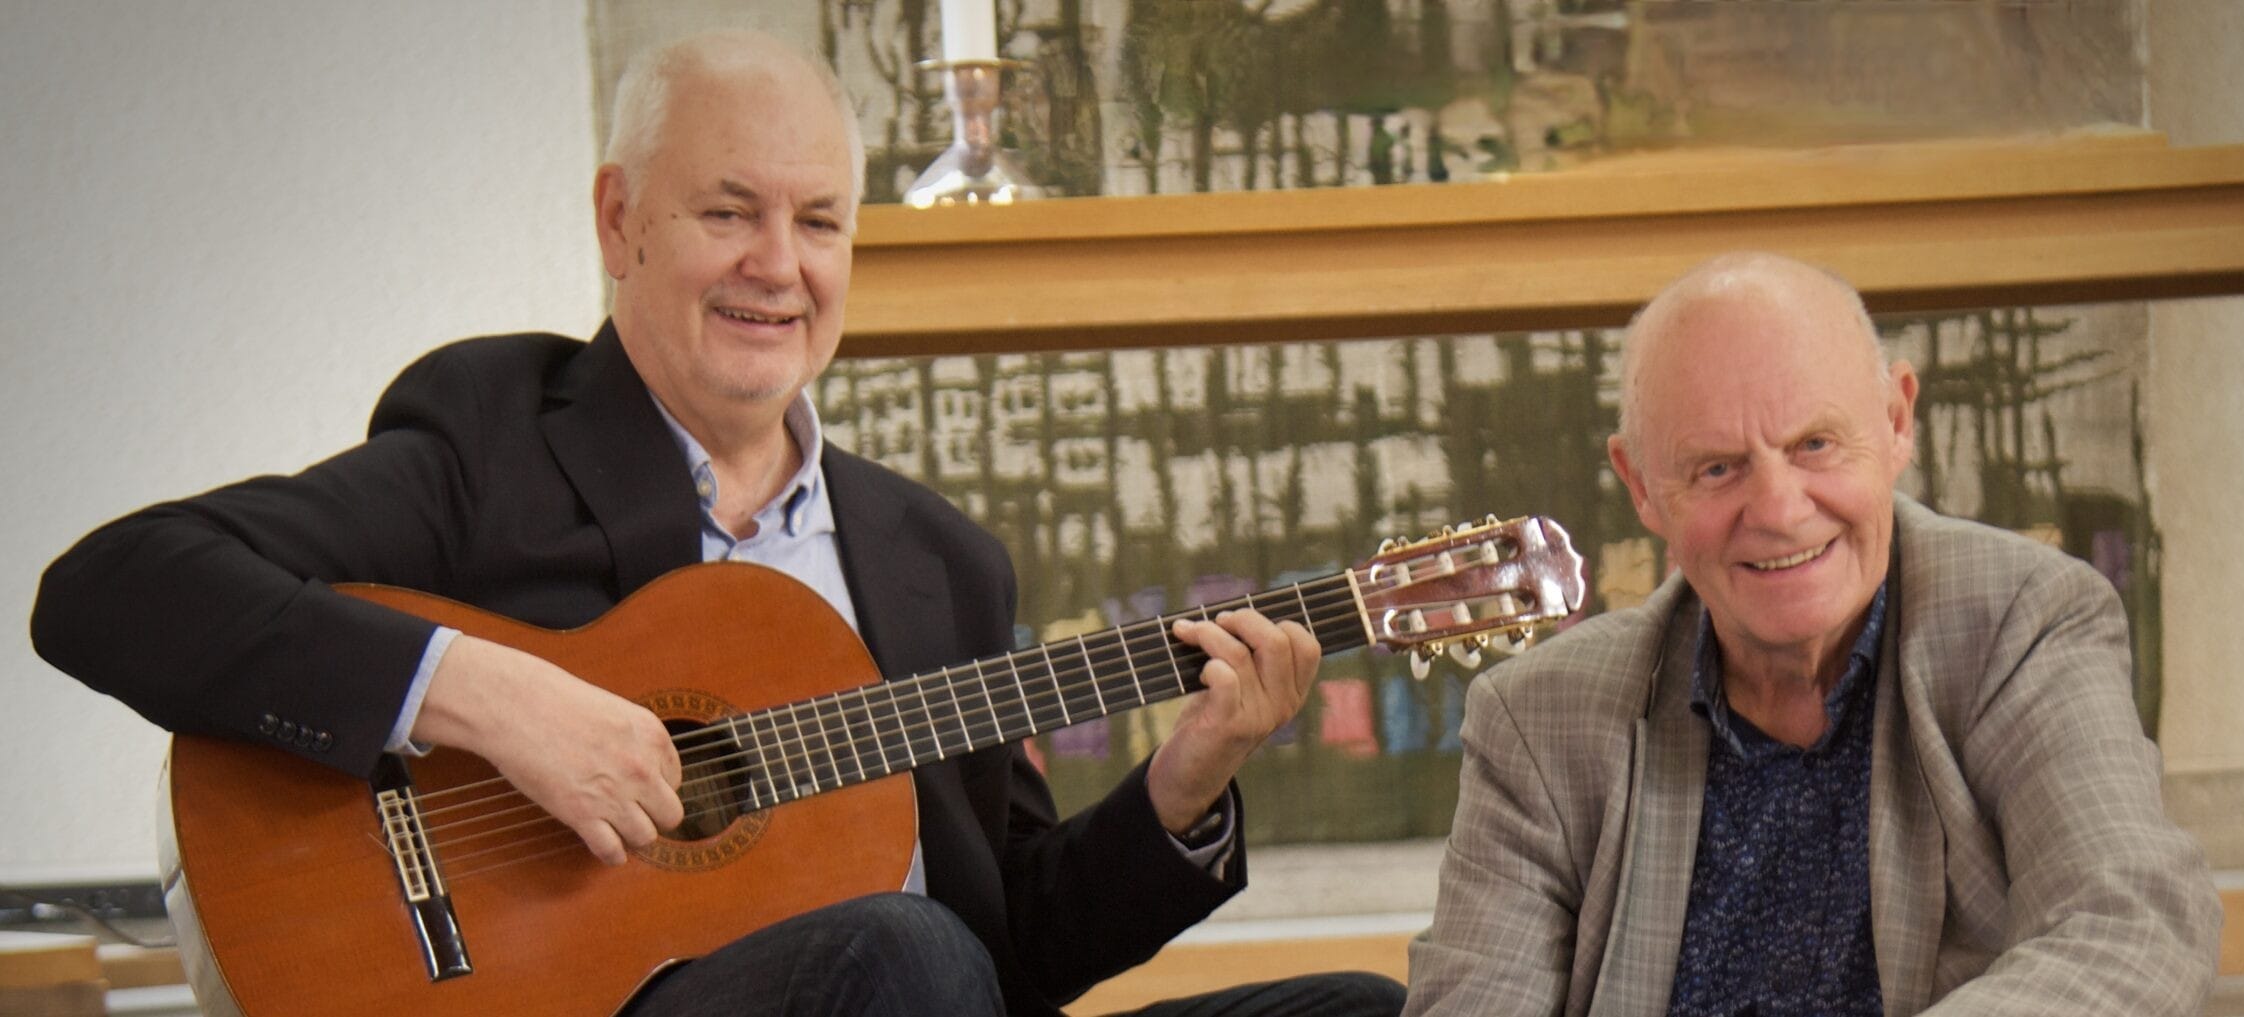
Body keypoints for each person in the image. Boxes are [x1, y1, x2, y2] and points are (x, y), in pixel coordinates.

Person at [29, 29, 1402, 1017]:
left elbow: (1015, 953)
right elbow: (113, 588)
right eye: (729, 211)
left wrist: (1183, 789)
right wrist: (493, 699)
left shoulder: (939, 561)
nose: (777, 266)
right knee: (901, 951)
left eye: (820, 223)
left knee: (1364, 1006)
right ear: (620, 220)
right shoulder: (493, 437)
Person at [1403, 253, 2219, 1016]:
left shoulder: (2022, 623)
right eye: (1717, 467)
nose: (1779, 508)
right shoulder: (1538, 720)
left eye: (1814, 445)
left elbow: (2128, 923)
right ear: (1642, 486)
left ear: (1896, 420)